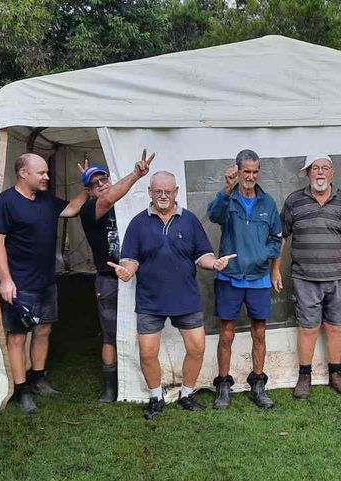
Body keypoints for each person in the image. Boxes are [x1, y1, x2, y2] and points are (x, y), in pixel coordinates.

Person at [112, 171, 235, 420]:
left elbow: (202, 255)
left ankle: (186, 394)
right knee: (147, 352)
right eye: (158, 191)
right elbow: (130, 259)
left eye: (168, 191)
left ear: (176, 192)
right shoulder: (138, 223)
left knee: (197, 347)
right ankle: (156, 397)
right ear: (150, 192)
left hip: (185, 298)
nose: (163, 196)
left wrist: (215, 264)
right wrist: (126, 271)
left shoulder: (189, 220)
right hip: (150, 300)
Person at [0, 153, 87, 413]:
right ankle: (21, 391)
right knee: (18, 337)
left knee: (43, 330)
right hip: (20, 285)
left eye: (46, 173)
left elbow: (72, 209)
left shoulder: (45, 200)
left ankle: (38, 379)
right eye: (41, 173)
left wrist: (86, 188)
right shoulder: (5, 203)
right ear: (23, 173)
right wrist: (6, 280)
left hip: (46, 282)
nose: (46, 177)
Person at [272, 154, 341, 400]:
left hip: (339, 277)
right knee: (308, 328)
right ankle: (304, 377)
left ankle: (336, 375)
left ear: (332, 172)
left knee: (335, 327)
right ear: (307, 173)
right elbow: (282, 236)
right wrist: (275, 268)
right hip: (305, 277)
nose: (320, 173)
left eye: (324, 168)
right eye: (315, 169)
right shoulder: (294, 201)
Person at [206, 149, 282, 409]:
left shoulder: (268, 203)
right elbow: (214, 216)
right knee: (226, 334)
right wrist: (226, 190)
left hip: (258, 278)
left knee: (259, 332)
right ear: (237, 171)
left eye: (254, 171)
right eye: (246, 171)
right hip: (229, 276)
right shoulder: (228, 199)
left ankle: (258, 385)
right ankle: (223, 386)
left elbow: (276, 237)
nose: (250, 176)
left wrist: (265, 257)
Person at [78, 149, 154, 402]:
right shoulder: (90, 210)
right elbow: (107, 200)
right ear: (88, 191)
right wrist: (136, 174)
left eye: (104, 180)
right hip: (109, 281)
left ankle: (143, 381)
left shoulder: (128, 205)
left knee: (145, 328)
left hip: (138, 277)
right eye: (94, 184)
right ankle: (111, 388)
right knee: (110, 334)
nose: (101, 185)